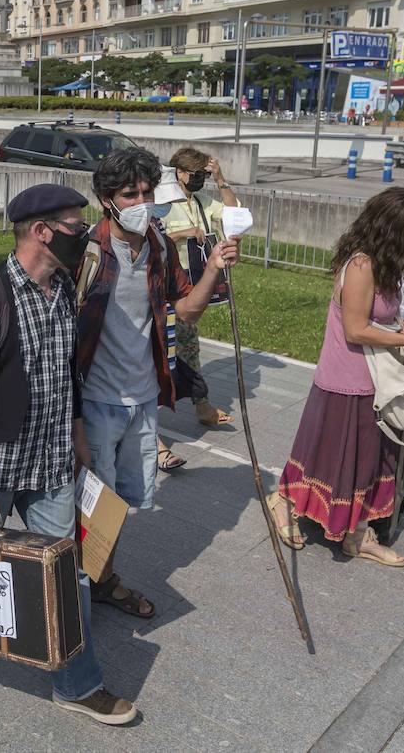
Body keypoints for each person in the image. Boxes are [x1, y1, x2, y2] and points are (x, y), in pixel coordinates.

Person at [0, 182, 136, 726]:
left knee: (67, 576)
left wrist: (77, 435)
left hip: (52, 464)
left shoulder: (61, 292)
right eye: (77, 226)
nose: (85, 236)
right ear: (42, 231)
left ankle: (76, 686)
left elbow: (67, 377)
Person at [76, 148, 239, 618]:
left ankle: (101, 579)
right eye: (131, 194)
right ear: (107, 200)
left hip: (144, 398)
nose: (142, 201)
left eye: (147, 192)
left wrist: (212, 270)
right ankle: (79, 587)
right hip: (95, 402)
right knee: (89, 503)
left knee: (121, 503)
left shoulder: (159, 245)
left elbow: (185, 309)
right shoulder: (86, 251)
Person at [267, 188, 404, 566]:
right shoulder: (362, 266)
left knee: (370, 459)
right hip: (346, 378)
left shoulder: (386, 267)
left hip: (376, 379)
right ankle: (282, 501)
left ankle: (357, 534)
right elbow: (356, 330)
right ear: (392, 231)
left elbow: (378, 318)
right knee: (325, 453)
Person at [161, 148, 238, 439]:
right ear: (179, 172)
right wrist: (183, 233)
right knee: (173, 345)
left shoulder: (202, 202)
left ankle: (200, 403)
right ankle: (198, 405)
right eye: (197, 175)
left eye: (204, 176)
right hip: (164, 287)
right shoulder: (164, 203)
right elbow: (146, 235)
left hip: (191, 288)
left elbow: (234, 213)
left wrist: (221, 180)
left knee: (187, 344)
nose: (200, 181)